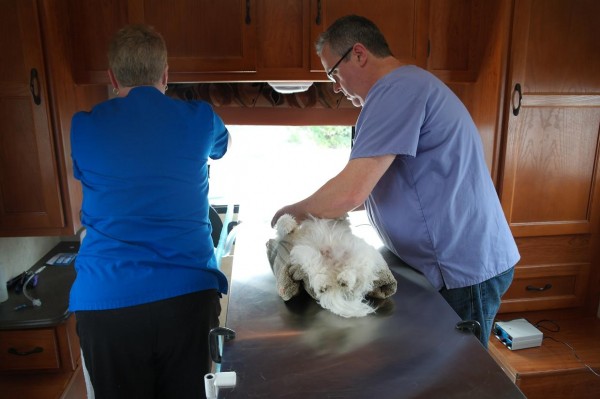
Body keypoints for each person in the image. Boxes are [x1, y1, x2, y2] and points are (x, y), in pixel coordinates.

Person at [271, 15, 519, 348]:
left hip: (462, 267)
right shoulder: (398, 92)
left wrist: (293, 212)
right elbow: (365, 189)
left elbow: (351, 191)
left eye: (333, 72)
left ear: (359, 54)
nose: (335, 86)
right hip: (449, 261)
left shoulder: (398, 89)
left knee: (461, 375)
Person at [70, 24, 230, 398]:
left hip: (106, 303)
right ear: (166, 75)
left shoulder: (84, 126)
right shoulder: (201, 118)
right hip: (187, 297)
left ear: (111, 78)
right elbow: (221, 147)